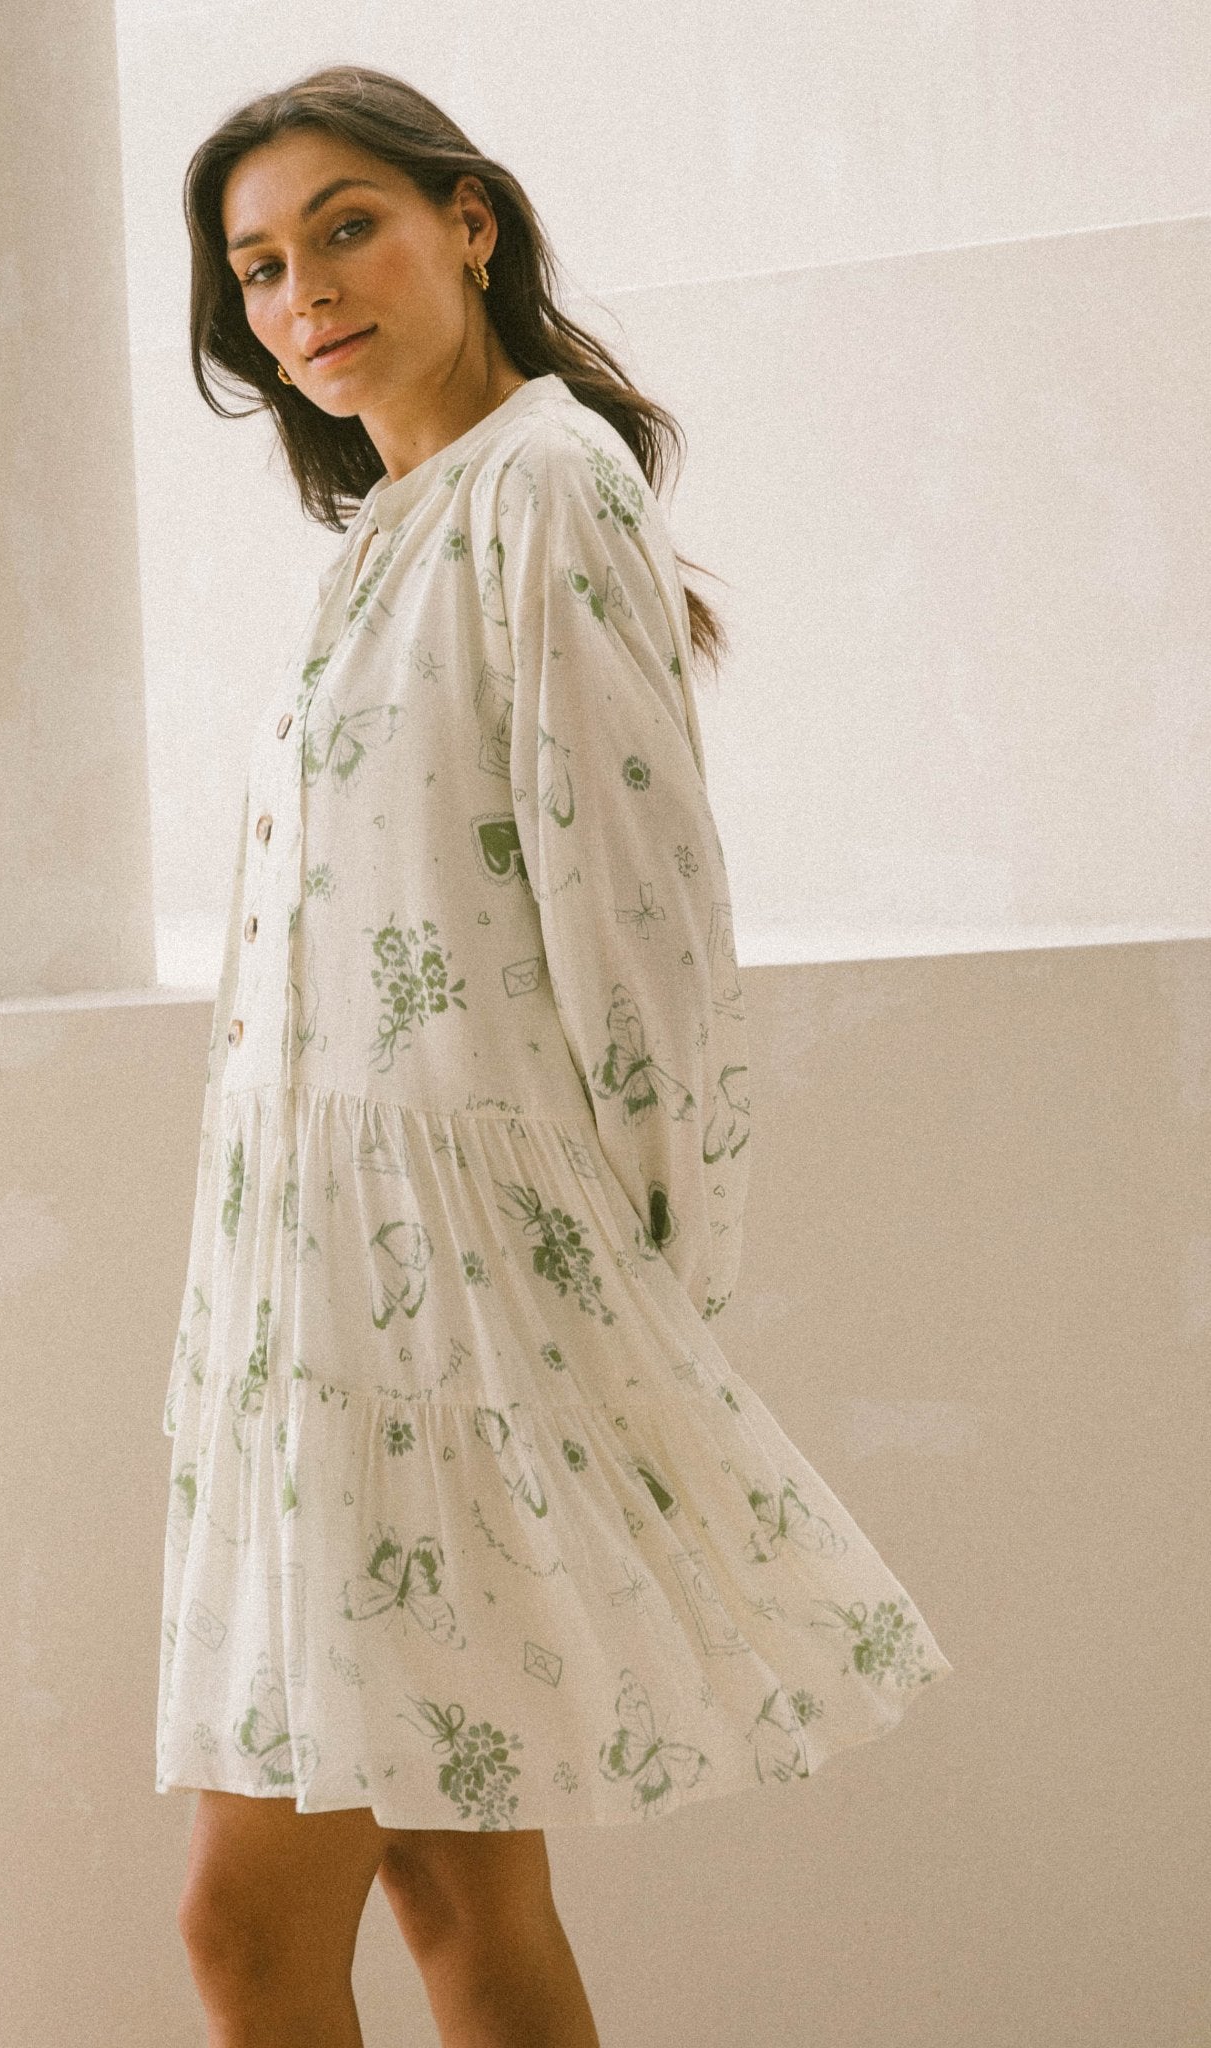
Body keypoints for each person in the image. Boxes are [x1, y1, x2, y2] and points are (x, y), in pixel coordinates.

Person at [158, 64, 954, 2048]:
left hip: (447, 1298)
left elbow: (642, 908)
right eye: (259, 267)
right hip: (329, 1295)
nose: (303, 293)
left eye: (345, 226)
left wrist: (649, 1285)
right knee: (454, 1886)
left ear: (469, 221)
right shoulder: (387, 529)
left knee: (247, 1931)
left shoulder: (545, 483)